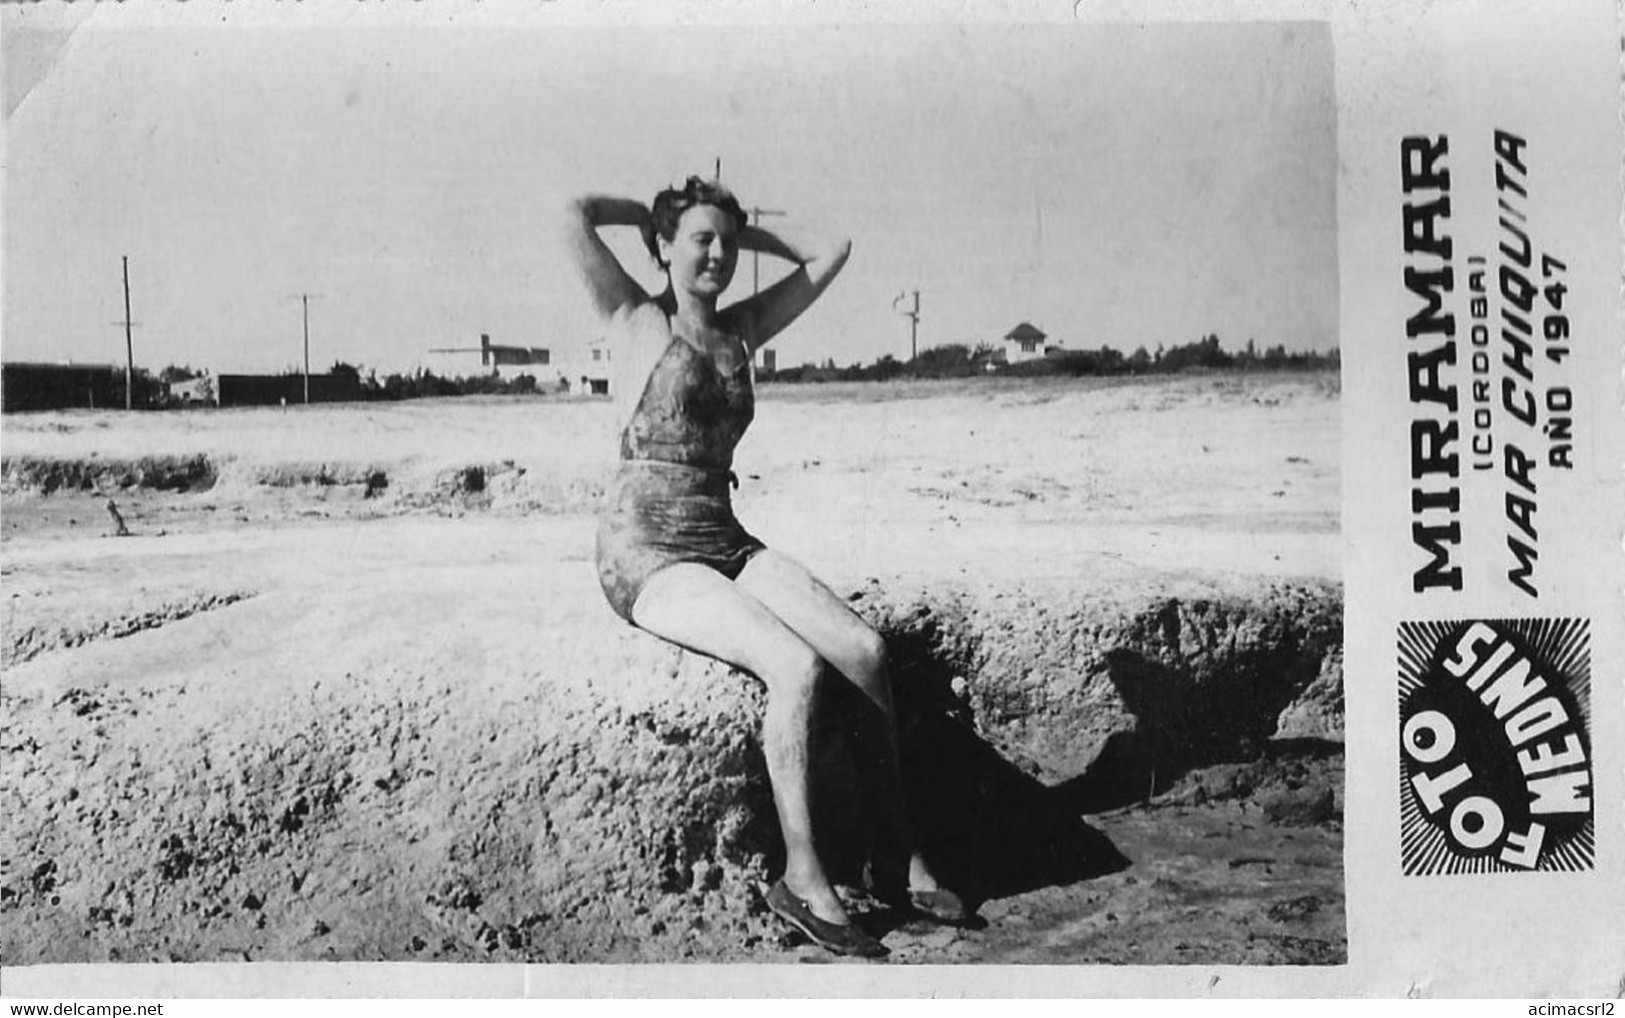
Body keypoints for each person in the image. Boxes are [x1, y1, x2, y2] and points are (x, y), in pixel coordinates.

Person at [561, 177, 969, 958]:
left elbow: (832, 249)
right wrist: (655, 211)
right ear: (663, 250)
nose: (716, 255)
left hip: (721, 533)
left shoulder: (741, 329)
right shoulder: (634, 317)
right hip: (643, 550)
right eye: (699, 242)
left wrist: (745, 231)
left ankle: (895, 853)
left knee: (866, 652)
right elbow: (569, 210)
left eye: (727, 243)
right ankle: (803, 877)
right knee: (794, 666)